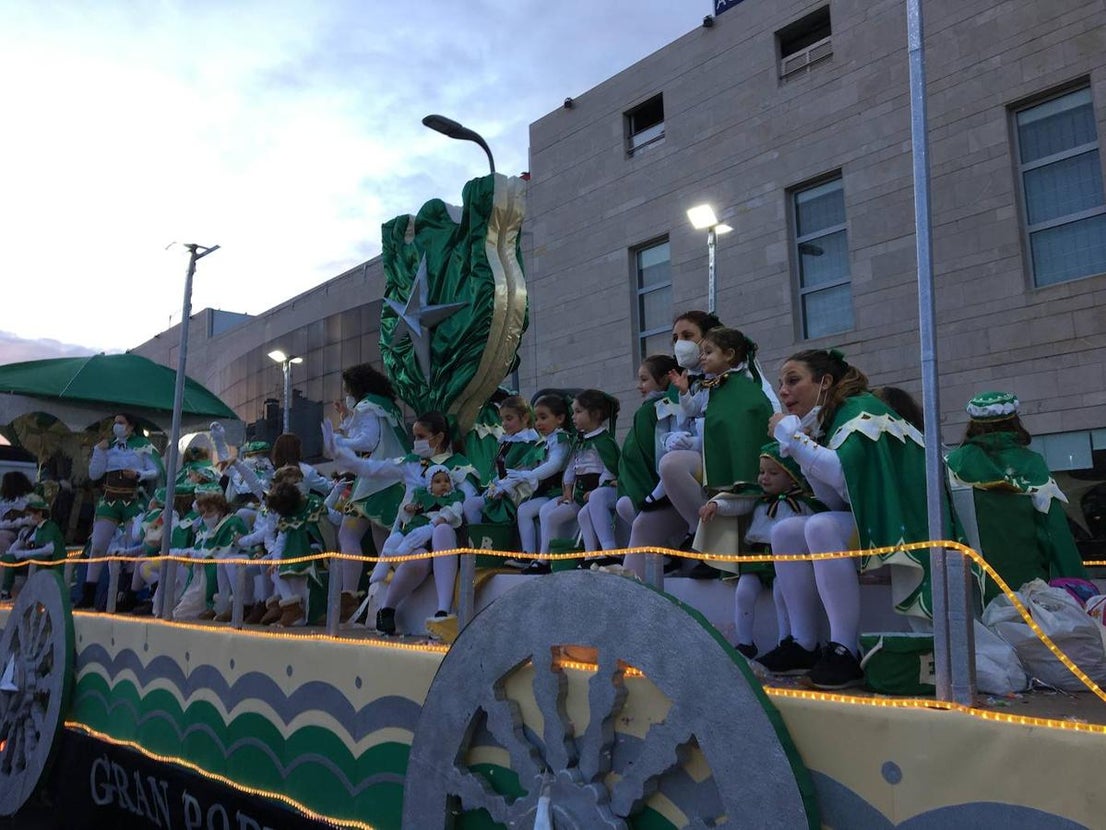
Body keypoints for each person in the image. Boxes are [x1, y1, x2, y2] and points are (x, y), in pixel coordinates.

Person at [756, 349, 932, 690]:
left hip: (908, 526)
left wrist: (793, 438)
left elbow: (839, 475)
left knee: (820, 526)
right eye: (781, 384)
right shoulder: (832, 419)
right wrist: (804, 444)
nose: (783, 391)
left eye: (793, 380)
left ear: (825, 382)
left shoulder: (861, 411)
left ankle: (844, 650)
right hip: (876, 520)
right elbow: (833, 497)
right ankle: (803, 643)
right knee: (787, 530)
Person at [332, 411, 478, 634]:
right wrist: (341, 451)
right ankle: (387, 609)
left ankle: (443, 610)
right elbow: (373, 468)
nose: (416, 442)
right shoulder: (411, 463)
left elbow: (469, 500)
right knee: (418, 560)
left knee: (442, 531)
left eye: (421, 436)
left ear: (438, 437)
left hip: (447, 531)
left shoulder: (458, 465)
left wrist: (441, 519)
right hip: (413, 532)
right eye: (415, 436)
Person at [946, 391, 1087, 601]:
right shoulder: (1032, 463)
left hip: (971, 587)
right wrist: (1078, 585)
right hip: (1028, 588)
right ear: (1015, 422)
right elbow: (1054, 529)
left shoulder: (952, 463)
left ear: (972, 424)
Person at [698, 443, 826, 659]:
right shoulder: (757, 499)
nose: (764, 478)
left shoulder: (803, 504)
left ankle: (786, 640)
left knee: (782, 595)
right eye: (762, 472)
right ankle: (745, 643)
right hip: (756, 559)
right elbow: (736, 505)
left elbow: (816, 526)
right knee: (744, 593)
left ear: (792, 477)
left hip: (785, 563)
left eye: (773, 473)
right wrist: (716, 506)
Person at [666, 327, 776, 576]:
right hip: (717, 455)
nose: (702, 357)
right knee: (720, 500)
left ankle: (741, 559)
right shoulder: (710, 386)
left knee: (739, 500)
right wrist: (683, 391)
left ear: (729, 354)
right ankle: (717, 560)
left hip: (739, 456)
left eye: (708, 352)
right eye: (702, 352)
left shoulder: (746, 389)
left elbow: (750, 420)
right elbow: (693, 409)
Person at [626, 311, 722, 558]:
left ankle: (706, 535)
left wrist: (696, 442)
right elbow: (675, 425)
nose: (680, 344)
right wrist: (671, 438)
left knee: (672, 464)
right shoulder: (683, 383)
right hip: (685, 480)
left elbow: (731, 430)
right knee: (642, 526)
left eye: (688, 336)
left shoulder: (730, 379)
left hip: (716, 473)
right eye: (676, 338)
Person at [322, 363, 411, 622]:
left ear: (356, 387)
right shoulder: (387, 405)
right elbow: (373, 435)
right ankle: (386, 595)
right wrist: (347, 420)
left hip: (375, 480)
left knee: (349, 534)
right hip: (392, 477)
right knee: (383, 540)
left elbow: (368, 441)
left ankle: (350, 595)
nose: (346, 394)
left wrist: (338, 440)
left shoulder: (366, 406)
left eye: (347, 389)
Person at [525, 390, 620, 574]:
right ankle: (548, 558)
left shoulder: (604, 440)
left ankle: (601, 553)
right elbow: (571, 467)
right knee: (550, 513)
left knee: (583, 512)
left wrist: (599, 488)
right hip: (579, 494)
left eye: (578, 412)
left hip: (598, 492)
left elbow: (610, 468)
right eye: (573, 412)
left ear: (596, 414)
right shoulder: (578, 441)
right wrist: (567, 489)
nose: (573, 416)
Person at [76, 413, 164, 609]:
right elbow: (94, 474)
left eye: (121, 423)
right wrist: (98, 451)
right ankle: (89, 592)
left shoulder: (142, 445)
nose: (117, 426)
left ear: (131, 426)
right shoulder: (108, 446)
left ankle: (129, 593)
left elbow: (155, 470)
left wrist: (138, 473)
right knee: (98, 545)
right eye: (115, 423)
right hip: (109, 500)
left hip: (132, 500)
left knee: (133, 545)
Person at [462, 396, 542, 527]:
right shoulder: (508, 441)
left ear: (525, 417)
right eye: (502, 419)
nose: (504, 423)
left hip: (519, 493)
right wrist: (494, 486)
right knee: (470, 504)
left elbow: (524, 471)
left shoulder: (529, 442)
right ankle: (482, 537)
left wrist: (502, 488)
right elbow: (500, 471)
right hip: (503, 489)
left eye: (509, 418)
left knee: (471, 505)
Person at [511, 394, 573, 562]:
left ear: (560, 418)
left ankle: (544, 558)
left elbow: (555, 464)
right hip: (549, 493)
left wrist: (528, 475)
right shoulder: (546, 440)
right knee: (524, 510)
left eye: (543, 418)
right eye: (536, 419)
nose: (538, 423)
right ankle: (528, 554)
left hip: (562, 492)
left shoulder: (561, 439)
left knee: (545, 510)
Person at [384, 466, 465, 558]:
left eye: (446, 481)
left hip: (434, 525)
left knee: (418, 534)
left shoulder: (452, 498)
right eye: (438, 482)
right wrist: (409, 507)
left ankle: (400, 553)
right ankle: (382, 565)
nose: (443, 484)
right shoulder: (423, 496)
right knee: (395, 538)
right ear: (430, 484)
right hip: (416, 523)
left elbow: (457, 508)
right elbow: (407, 509)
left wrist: (444, 517)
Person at [0, 494, 66, 599]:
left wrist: (24, 554)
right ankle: (5, 591)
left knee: (37, 559)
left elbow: (49, 549)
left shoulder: (49, 527)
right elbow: (16, 546)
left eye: (29, 515)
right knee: (7, 558)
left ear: (39, 513)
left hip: (48, 561)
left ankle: (33, 593)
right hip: (29, 559)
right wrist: (11, 554)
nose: (27, 518)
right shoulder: (28, 530)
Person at [0, 471, 36, 563]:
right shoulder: (3, 502)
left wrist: (16, 522)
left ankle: (9, 562)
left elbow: (33, 519)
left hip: (25, 532)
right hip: (8, 531)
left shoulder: (29, 500)